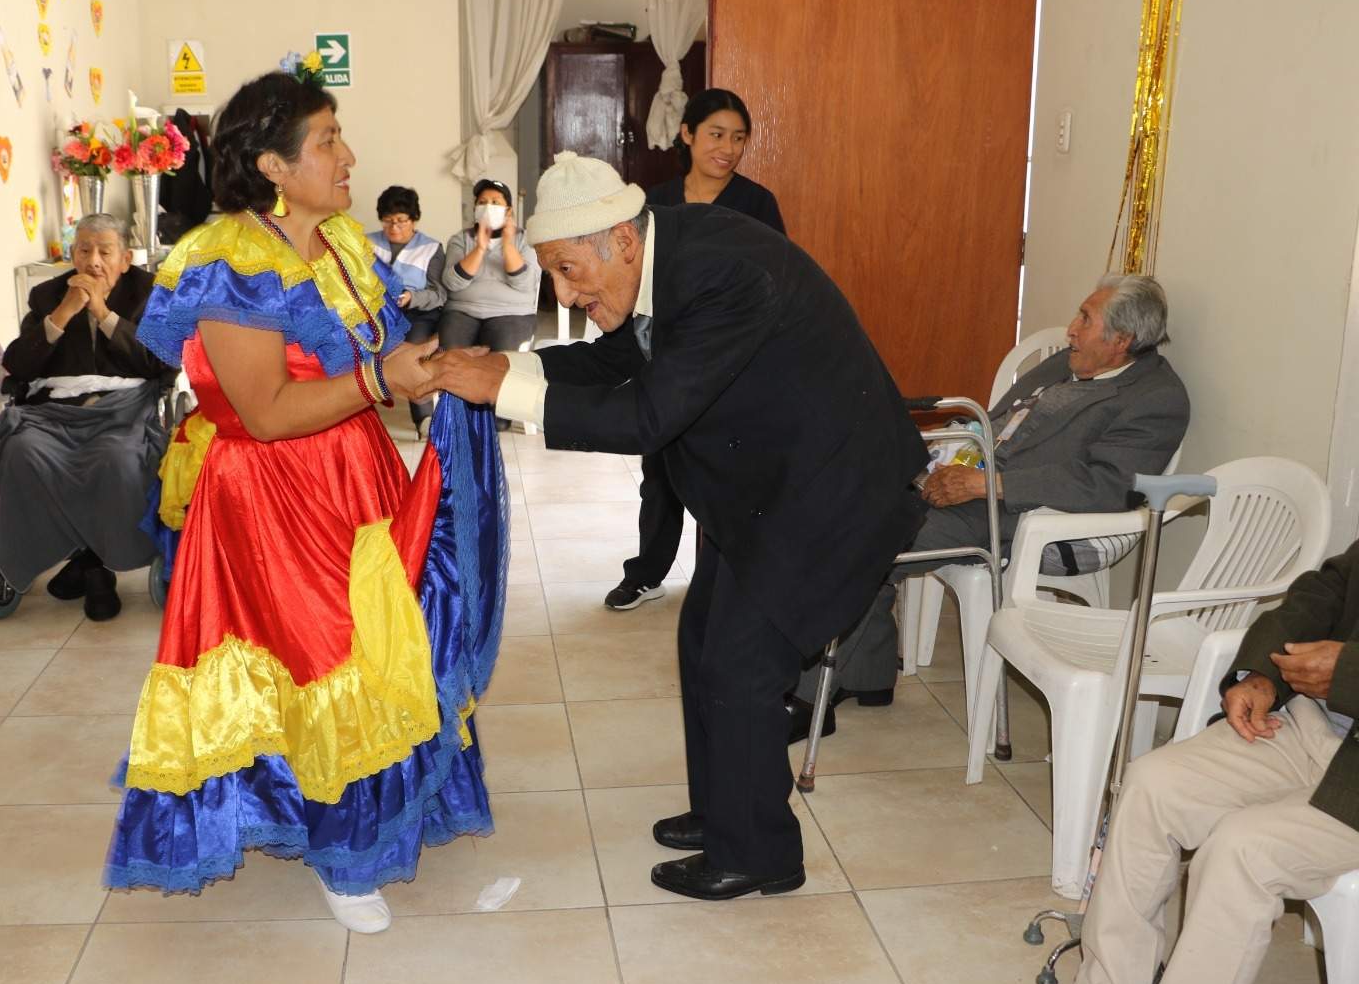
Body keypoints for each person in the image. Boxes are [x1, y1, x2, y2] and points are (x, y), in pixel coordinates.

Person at [426, 151, 927, 901]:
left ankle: (760, 855)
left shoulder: (724, 274)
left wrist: (508, 393)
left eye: (569, 271)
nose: (564, 292)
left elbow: (648, 413)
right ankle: (728, 809)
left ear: (621, 242)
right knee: (704, 641)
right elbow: (617, 359)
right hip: (764, 483)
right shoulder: (660, 256)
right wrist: (511, 368)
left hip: (827, 487)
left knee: (741, 663)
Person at [103, 68, 508, 936]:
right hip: (272, 497)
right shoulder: (230, 261)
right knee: (324, 664)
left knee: (377, 649)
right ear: (272, 165)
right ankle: (341, 851)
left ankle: (356, 821)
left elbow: (384, 355)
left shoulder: (344, 246)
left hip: (353, 474)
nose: (347, 155)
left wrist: (442, 369)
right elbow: (265, 411)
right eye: (327, 141)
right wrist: (377, 379)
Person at [790, 275, 1191, 739]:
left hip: (1030, 516)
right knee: (838, 501)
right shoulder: (1071, 362)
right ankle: (867, 676)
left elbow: (1108, 485)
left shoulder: (1157, 399)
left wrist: (987, 484)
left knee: (865, 537)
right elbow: (1001, 420)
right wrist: (944, 456)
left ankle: (806, 698)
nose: (1070, 330)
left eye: (1085, 319)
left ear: (1121, 341)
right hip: (978, 481)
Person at [1066, 538, 1359, 984]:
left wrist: (1347, 674)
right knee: (1151, 786)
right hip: (1313, 727)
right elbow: (1326, 589)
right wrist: (1262, 674)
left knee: (1241, 851)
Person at [607, 88, 787, 611]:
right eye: (716, 135)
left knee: (727, 474)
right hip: (666, 357)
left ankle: (725, 581)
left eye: (738, 138)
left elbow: (775, 279)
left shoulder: (757, 204)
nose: (727, 148)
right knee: (660, 473)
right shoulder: (654, 203)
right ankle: (647, 573)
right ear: (686, 135)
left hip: (735, 360)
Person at [0, 213, 171, 621]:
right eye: (85, 251)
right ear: (72, 256)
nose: (94, 262)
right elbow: (18, 365)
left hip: (121, 412)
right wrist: (61, 315)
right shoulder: (47, 296)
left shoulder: (151, 293)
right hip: (54, 414)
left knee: (118, 459)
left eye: (104, 252)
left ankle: (94, 562)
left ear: (125, 259)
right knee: (21, 451)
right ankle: (87, 563)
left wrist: (105, 315)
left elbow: (161, 363)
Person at [367, 185, 446, 436]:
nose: (394, 228)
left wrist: (413, 297)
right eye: (388, 221)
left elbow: (439, 294)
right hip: (375, 312)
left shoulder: (431, 248)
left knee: (413, 348)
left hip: (417, 313)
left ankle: (423, 418)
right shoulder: (366, 243)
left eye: (401, 221)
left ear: (414, 220)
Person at [440, 177, 540, 355]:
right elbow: (452, 283)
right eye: (482, 202)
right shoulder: (460, 239)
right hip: (462, 311)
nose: (488, 207)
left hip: (513, 313)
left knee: (505, 361)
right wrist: (480, 248)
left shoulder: (526, 239)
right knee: (450, 357)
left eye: (495, 203)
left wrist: (508, 245)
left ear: (508, 211)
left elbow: (525, 283)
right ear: (475, 209)